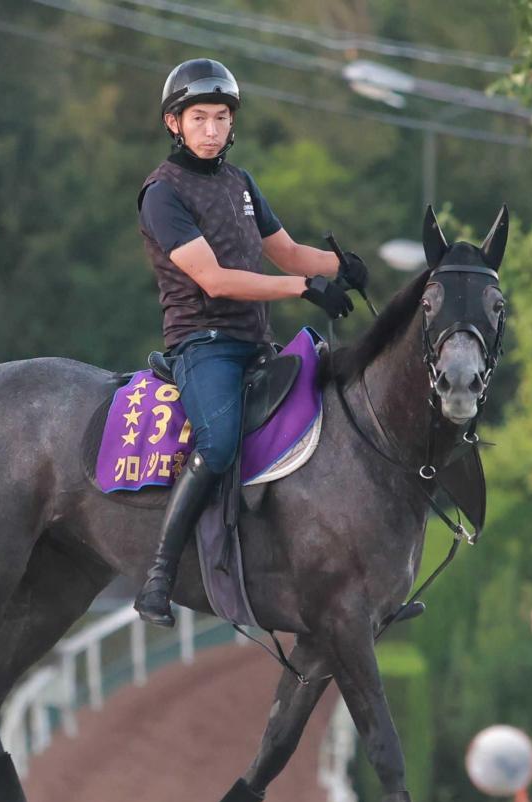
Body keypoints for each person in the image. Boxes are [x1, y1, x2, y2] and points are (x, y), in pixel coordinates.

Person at [134, 58, 369, 628]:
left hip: (256, 344)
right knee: (217, 446)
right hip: (202, 345)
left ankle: (353, 575)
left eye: (220, 117)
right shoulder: (161, 195)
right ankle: (159, 577)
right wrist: (304, 289)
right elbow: (214, 279)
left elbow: (288, 252)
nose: (212, 129)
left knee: (334, 417)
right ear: (174, 123)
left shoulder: (240, 184)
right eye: (199, 118)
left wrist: (343, 265)